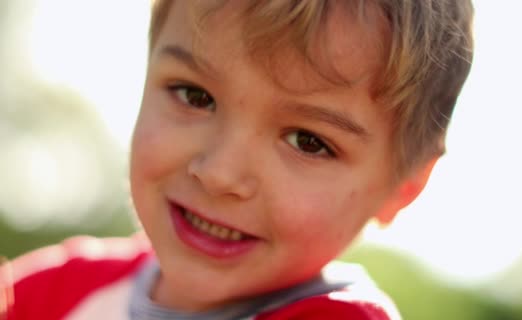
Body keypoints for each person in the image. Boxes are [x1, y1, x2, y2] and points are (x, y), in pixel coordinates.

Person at [0, 1, 474, 319]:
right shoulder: (56, 292)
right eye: (194, 95)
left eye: (308, 141)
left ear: (402, 188)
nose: (219, 173)